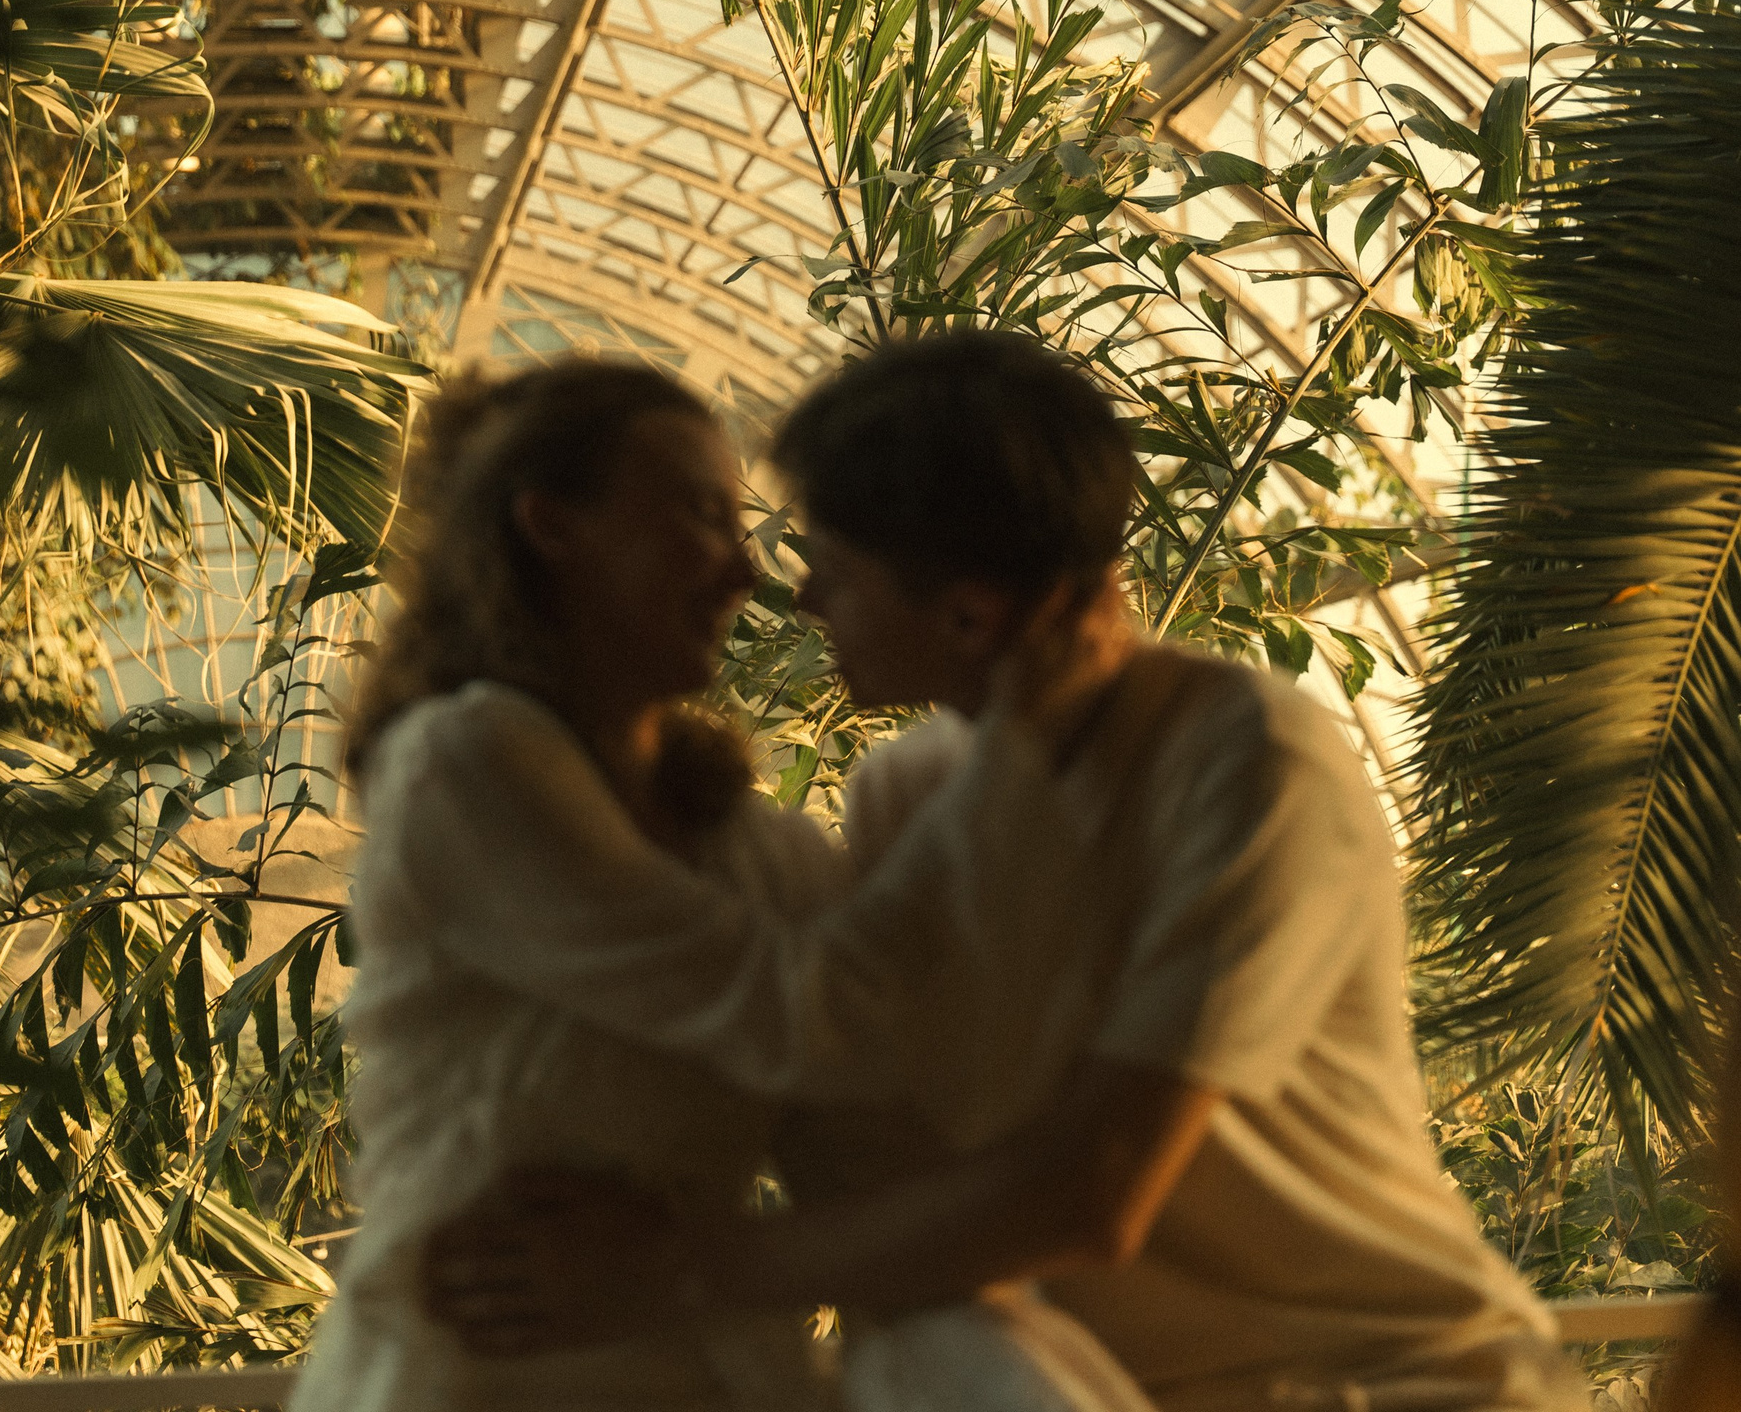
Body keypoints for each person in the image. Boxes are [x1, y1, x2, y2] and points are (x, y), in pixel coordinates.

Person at [427, 329, 1586, 1412]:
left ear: (969, 618)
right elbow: (865, 1111)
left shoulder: (1246, 762)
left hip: (1388, 1384)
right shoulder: (907, 794)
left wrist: (674, 1270)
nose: (800, 595)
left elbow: (1092, 1190)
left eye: (834, 565)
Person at [293, 351, 1139, 1412]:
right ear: (551, 525)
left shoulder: (757, 851)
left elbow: (871, 1150)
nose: (746, 573)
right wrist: (1014, 743)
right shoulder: (464, 764)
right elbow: (791, 1013)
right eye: (700, 515)